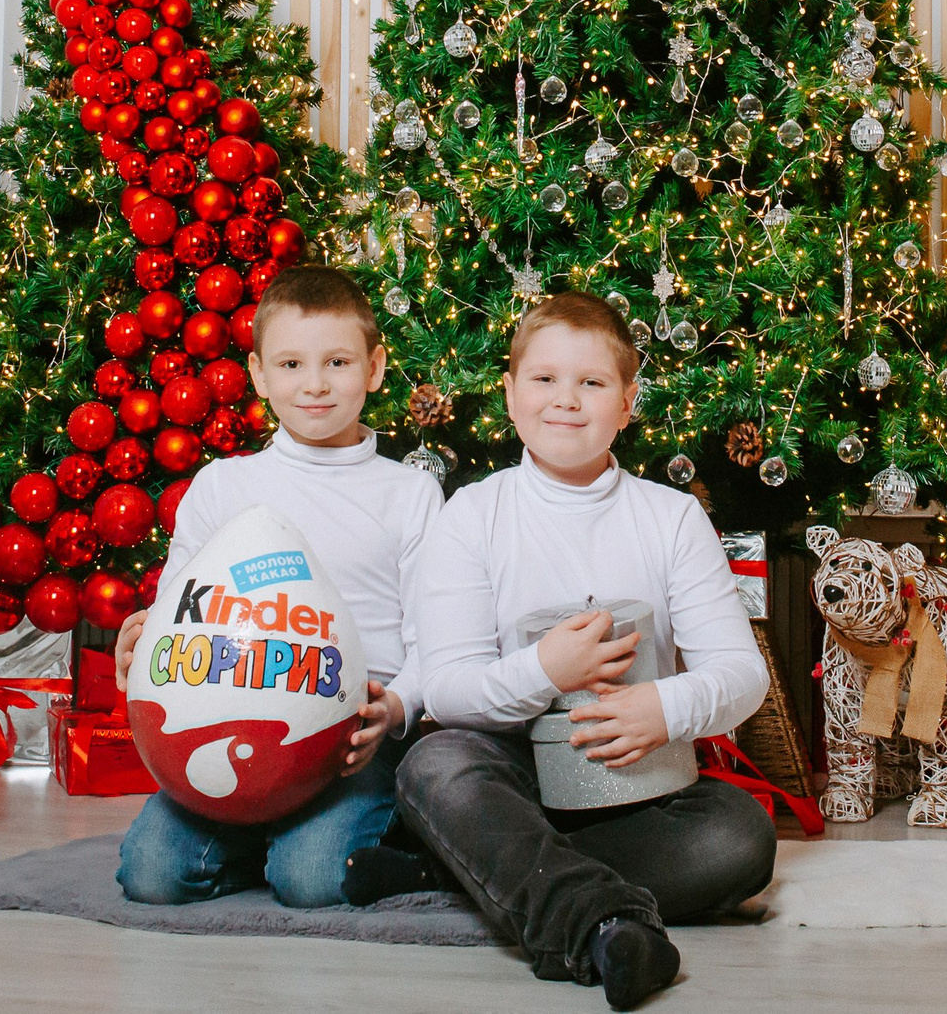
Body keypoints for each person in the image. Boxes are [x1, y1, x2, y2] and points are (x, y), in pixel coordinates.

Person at [373, 291, 775, 1010]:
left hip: (629, 776)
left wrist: (664, 704)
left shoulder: (672, 517)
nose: (566, 399)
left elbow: (741, 673)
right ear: (509, 392)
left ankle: (473, 864)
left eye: (591, 383)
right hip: (510, 768)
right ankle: (606, 924)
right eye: (544, 379)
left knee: (739, 838)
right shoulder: (474, 514)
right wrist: (545, 671)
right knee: (435, 763)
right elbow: (451, 689)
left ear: (627, 403)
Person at [111, 266, 442, 908]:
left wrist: (397, 708)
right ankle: (262, 833)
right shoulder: (222, 486)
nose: (314, 384)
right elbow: (178, 613)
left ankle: (385, 833)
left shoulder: (410, 493)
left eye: (337, 362)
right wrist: (143, 646)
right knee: (151, 876)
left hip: (348, 741)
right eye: (290, 364)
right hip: (225, 720)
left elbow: (437, 636)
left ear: (374, 369)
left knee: (311, 881)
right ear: (260, 376)